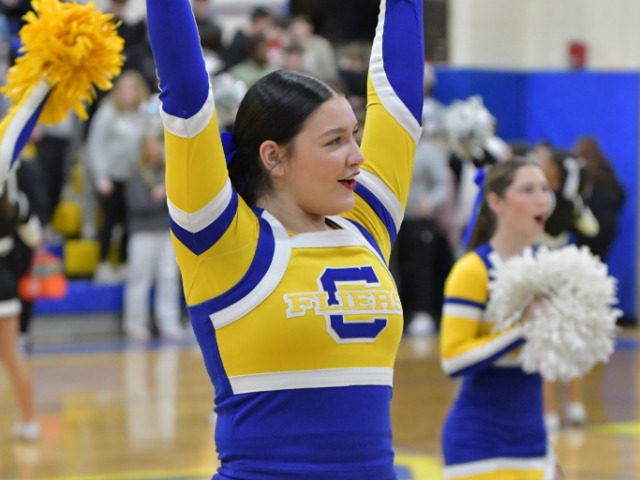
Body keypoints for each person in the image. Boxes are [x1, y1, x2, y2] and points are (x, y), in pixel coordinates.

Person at [146, 0, 424, 477]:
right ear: (273, 156)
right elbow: (186, 94)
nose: (358, 156)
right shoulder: (222, 240)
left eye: (355, 136)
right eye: (334, 141)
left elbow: (399, 99)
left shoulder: (367, 223)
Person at [440, 158, 563, 479]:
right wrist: (521, 330)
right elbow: (453, 360)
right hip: (479, 444)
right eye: (528, 190)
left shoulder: (546, 268)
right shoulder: (472, 270)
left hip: (533, 442)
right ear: (496, 202)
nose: (542, 199)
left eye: (545, 189)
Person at [123, 113, 183, 342]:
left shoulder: (170, 170)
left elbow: (179, 200)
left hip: (166, 232)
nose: (153, 150)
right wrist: (161, 198)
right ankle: (134, 324)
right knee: (139, 279)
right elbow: (137, 204)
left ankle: (169, 323)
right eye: (149, 145)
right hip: (142, 233)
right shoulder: (137, 173)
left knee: (168, 278)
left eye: (157, 144)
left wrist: (163, 196)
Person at [85, 70, 150, 282]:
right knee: (109, 221)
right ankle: (102, 263)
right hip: (111, 178)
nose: (128, 95)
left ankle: (123, 263)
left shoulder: (142, 114)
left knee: (129, 222)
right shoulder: (107, 113)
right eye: (124, 90)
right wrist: (101, 177)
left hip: (132, 179)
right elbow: (95, 146)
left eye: (133, 90)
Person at [0, 171, 39, 440]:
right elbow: (34, 236)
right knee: (12, 357)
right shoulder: (15, 202)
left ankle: (28, 421)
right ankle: (29, 422)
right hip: (4, 282)